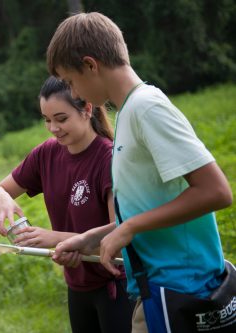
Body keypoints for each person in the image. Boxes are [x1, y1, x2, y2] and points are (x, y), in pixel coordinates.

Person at [47, 12, 233, 332]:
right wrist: (90, 238)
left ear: (91, 65)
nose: (74, 93)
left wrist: (129, 227)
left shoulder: (147, 107)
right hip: (156, 289)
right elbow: (147, 206)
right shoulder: (129, 113)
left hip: (181, 289)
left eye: (70, 81)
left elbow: (216, 191)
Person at [0, 76, 134, 333]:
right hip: (77, 287)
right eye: (47, 119)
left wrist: (54, 238)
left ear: (87, 109)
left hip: (116, 286)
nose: (53, 127)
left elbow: (120, 240)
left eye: (61, 118)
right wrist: (1, 198)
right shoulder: (46, 154)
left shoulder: (108, 159)